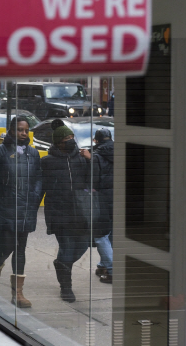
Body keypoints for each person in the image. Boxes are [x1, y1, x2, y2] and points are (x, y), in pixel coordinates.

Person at [0, 116, 42, 308]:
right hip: (4, 207)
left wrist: (34, 198)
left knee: (20, 249)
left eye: (26, 130)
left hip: (26, 209)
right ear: (11, 130)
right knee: (6, 246)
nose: (23, 133)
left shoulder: (33, 153)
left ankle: (18, 293)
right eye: (19, 130)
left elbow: (38, 179)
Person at [41, 120, 98, 303]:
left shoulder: (82, 158)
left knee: (81, 246)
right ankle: (66, 288)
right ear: (58, 142)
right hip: (59, 212)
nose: (71, 140)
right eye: (67, 138)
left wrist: (91, 161)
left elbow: (95, 180)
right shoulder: (47, 162)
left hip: (81, 213)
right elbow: (39, 187)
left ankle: (61, 265)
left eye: (72, 137)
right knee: (66, 249)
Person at [80, 128, 114, 284]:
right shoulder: (120, 152)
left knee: (100, 236)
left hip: (101, 200)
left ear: (96, 140)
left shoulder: (96, 156)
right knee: (111, 234)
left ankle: (113, 270)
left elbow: (92, 180)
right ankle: (103, 265)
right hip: (118, 199)